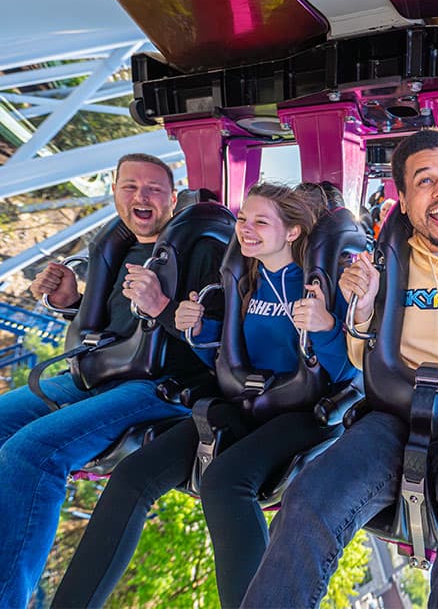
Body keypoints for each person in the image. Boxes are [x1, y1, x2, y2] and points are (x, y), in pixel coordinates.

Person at [241, 128, 438, 608]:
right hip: (395, 416)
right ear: (405, 202)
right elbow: (359, 358)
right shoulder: (389, 262)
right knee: (309, 499)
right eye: (424, 182)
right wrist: (363, 309)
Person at [53, 183, 357, 608]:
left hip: (304, 412)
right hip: (245, 402)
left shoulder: (320, 283)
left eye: (260, 222)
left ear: (291, 232)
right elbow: (227, 355)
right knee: (132, 477)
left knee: (224, 482)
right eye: (244, 219)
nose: (246, 230)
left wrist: (325, 327)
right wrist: (197, 329)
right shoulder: (245, 280)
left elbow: (348, 372)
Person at [0, 154, 225, 606]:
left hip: (161, 385)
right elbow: (103, 325)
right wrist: (70, 301)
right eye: (129, 187)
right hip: (97, 371)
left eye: (153, 188)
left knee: (32, 452)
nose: (140, 197)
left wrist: (162, 306)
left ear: (173, 195)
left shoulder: (204, 248)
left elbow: (221, 345)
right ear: (115, 192)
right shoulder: (117, 247)